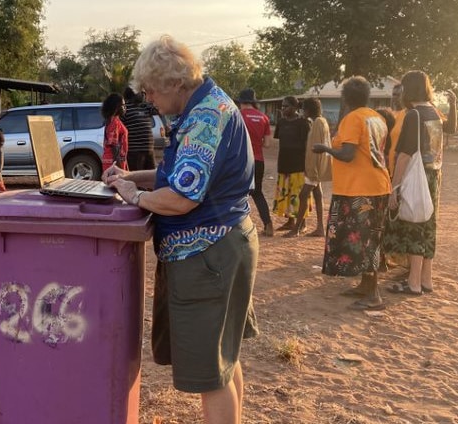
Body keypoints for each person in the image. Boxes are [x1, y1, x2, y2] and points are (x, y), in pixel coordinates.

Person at [102, 35, 258, 424]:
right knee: (224, 357)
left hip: (207, 254)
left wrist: (133, 195)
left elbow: (181, 197)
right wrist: (131, 175)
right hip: (225, 244)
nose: (150, 98)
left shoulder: (205, 118)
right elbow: (179, 175)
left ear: (174, 82)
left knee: (210, 373)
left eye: (152, 90)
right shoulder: (208, 106)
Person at [312, 76, 391, 310]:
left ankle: (374, 294)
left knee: (364, 240)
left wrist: (325, 148)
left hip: (359, 189)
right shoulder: (376, 117)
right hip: (377, 186)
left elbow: (348, 155)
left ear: (345, 97)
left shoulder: (353, 119)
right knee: (371, 238)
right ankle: (366, 286)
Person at [384, 71, 456, 295]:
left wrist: (394, 188)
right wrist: (453, 105)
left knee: (415, 224)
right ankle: (426, 279)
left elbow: (405, 155)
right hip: (434, 176)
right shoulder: (433, 112)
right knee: (428, 225)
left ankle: (413, 282)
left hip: (417, 177)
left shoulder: (413, 115)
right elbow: (449, 130)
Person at [285, 97, 332, 238]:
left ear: (309, 109)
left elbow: (316, 149)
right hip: (317, 166)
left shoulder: (318, 123)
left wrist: (312, 170)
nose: (302, 111)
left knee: (303, 195)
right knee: (317, 195)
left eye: (303, 108)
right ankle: (320, 228)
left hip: (314, 168)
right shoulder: (322, 121)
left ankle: (296, 229)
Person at [237, 88, 274, 237]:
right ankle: (268, 225)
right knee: (257, 193)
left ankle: (238, 228)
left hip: (242, 160)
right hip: (259, 160)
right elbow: (267, 144)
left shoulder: (238, 116)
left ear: (241, 102)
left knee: (237, 193)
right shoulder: (264, 118)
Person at [272, 96, 311, 232]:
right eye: (282, 106)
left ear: (295, 108)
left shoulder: (303, 123)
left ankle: (302, 223)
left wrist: (307, 165)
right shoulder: (281, 122)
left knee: (298, 195)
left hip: (298, 165)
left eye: (286, 106)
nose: (283, 109)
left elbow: (307, 145)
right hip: (284, 163)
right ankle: (290, 221)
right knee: (287, 194)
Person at [121, 86, 156, 171]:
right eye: (141, 92)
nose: (143, 95)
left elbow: (158, 109)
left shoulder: (145, 107)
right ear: (133, 93)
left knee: (150, 179)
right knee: (137, 179)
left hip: (149, 150)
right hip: (134, 152)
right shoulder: (125, 109)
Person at [101, 93, 128, 171]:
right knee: (115, 182)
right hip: (114, 162)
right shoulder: (115, 122)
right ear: (116, 106)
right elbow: (114, 146)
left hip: (113, 161)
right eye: (122, 105)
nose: (125, 107)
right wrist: (119, 168)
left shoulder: (112, 120)